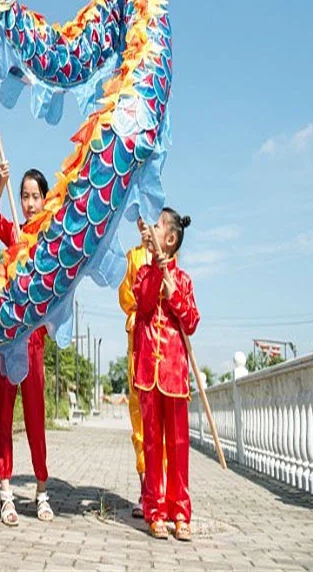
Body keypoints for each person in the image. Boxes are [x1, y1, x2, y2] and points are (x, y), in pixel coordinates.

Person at [0, 161, 52, 526]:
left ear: (44, 200)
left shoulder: (49, 240)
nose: (28, 203)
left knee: (35, 418)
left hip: (34, 341)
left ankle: (42, 490)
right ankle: (6, 492)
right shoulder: (15, 234)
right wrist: (1, 183)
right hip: (7, 338)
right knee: (4, 415)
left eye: (34, 196)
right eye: (24, 196)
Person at [134, 208, 199, 541]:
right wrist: (157, 271)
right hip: (148, 371)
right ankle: (155, 510)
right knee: (152, 445)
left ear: (170, 239)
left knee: (178, 445)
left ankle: (180, 512)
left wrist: (171, 285)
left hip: (174, 373)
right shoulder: (144, 275)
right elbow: (144, 305)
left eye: (158, 227)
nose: (152, 230)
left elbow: (190, 321)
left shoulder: (184, 280)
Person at [118, 228, 152, 518]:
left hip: (164, 348)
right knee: (139, 417)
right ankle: (146, 488)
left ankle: (163, 488)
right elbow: (127, 296)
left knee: (163, 421)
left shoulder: (168, 257)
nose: (145, 225)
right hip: (140, 340)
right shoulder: (132, 257)